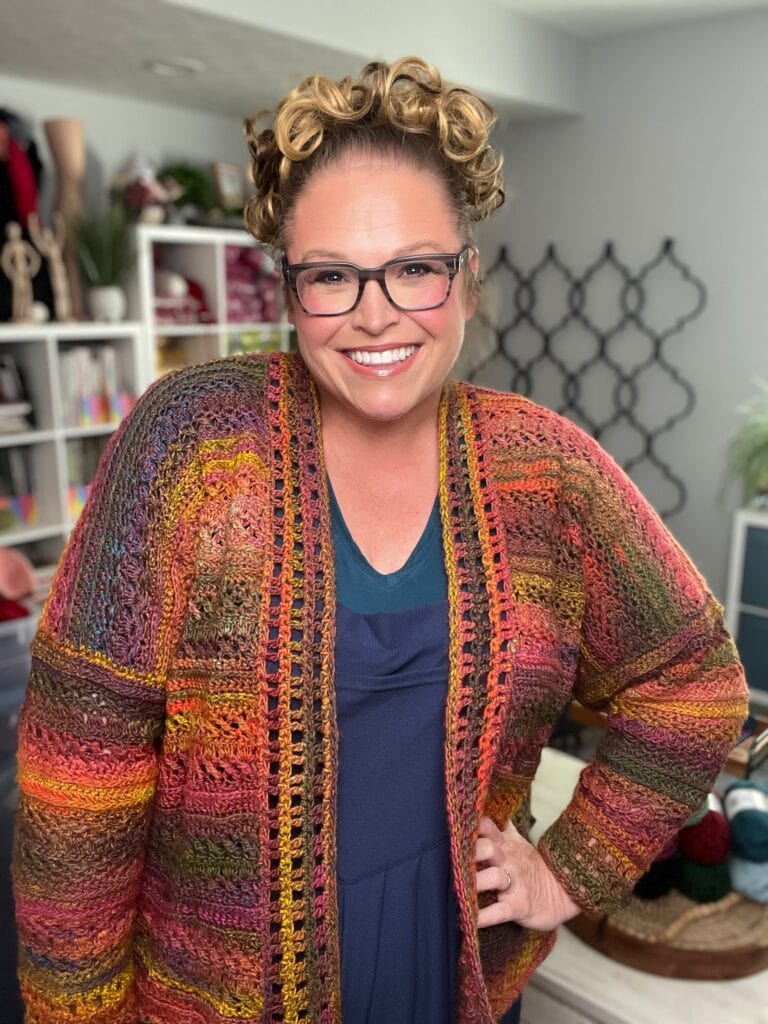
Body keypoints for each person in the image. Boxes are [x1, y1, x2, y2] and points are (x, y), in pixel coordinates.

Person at [12, 57, 748, 1024]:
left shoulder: (546, 469)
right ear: (288, 293)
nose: (375, 313)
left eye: (414, 268)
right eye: (331, 276)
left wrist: (569, 870)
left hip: (452, 971)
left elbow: (694, 680)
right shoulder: (187, 442)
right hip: (217, 992)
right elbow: (80, 768)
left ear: (468, 281)